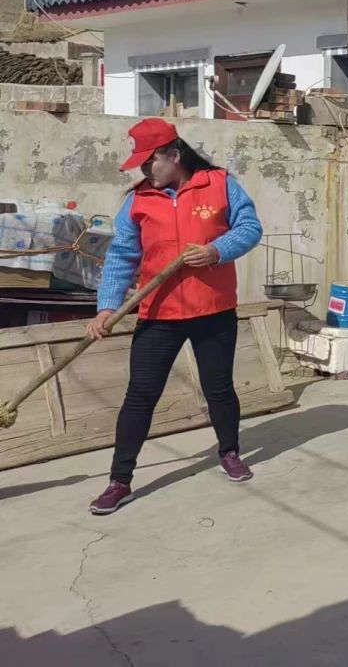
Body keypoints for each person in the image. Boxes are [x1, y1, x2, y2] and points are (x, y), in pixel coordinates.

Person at [86, 119, 263, 515]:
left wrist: (216, 251)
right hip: (158, 313)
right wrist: (107, 307)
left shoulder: (219, 183)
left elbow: (250, 227)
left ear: (174, 155)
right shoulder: (138, 200)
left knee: (218, 388)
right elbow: (121, 256)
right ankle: (119, 480)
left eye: (150, 162)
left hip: (213, 309)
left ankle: (229, 451)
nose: (145, 170)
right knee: (140, 395)